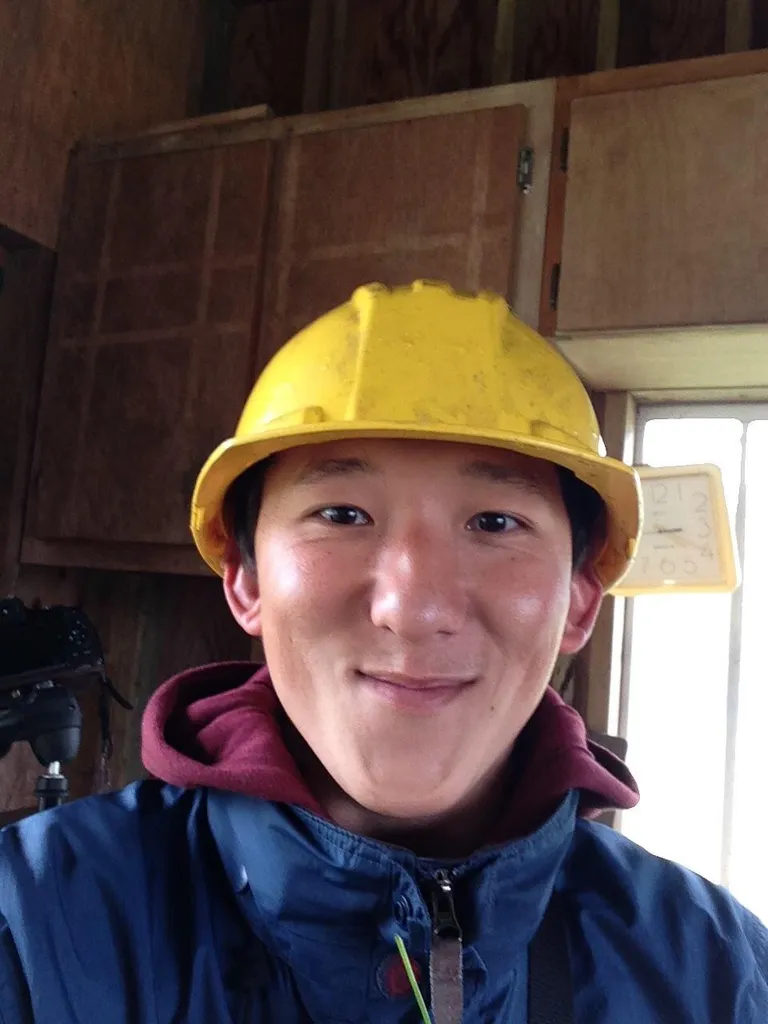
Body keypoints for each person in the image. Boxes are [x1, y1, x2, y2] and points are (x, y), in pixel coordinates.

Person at [0, 281, 766, 1024]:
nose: (415, 608)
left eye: (496, 523)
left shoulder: (721, 974)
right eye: (342, 513)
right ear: (244, 582)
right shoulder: (30, 936)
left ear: (578, 602)